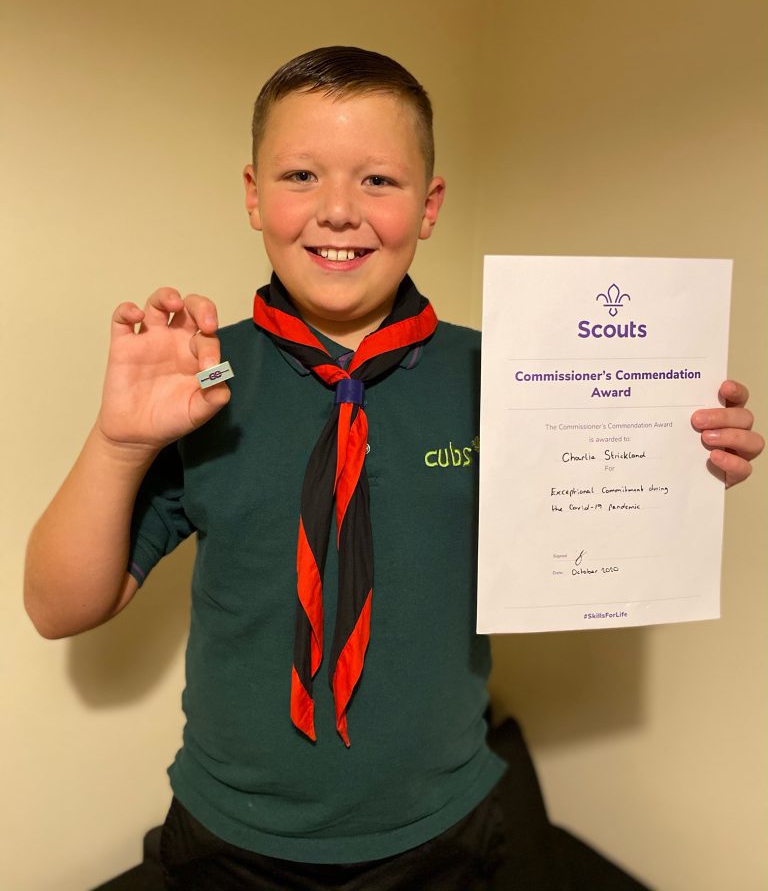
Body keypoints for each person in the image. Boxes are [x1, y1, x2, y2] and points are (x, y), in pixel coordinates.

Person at [24, 47, 764, 891]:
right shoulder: (193, 377)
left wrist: (678, 460)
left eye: (378, 180)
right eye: (301, 175)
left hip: (448, 831)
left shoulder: (512, 380)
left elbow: (595, 521)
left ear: (429, 205)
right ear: (253, 196)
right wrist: (121, 442)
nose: (338, 211)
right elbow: (57, 610)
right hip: (229, 833)